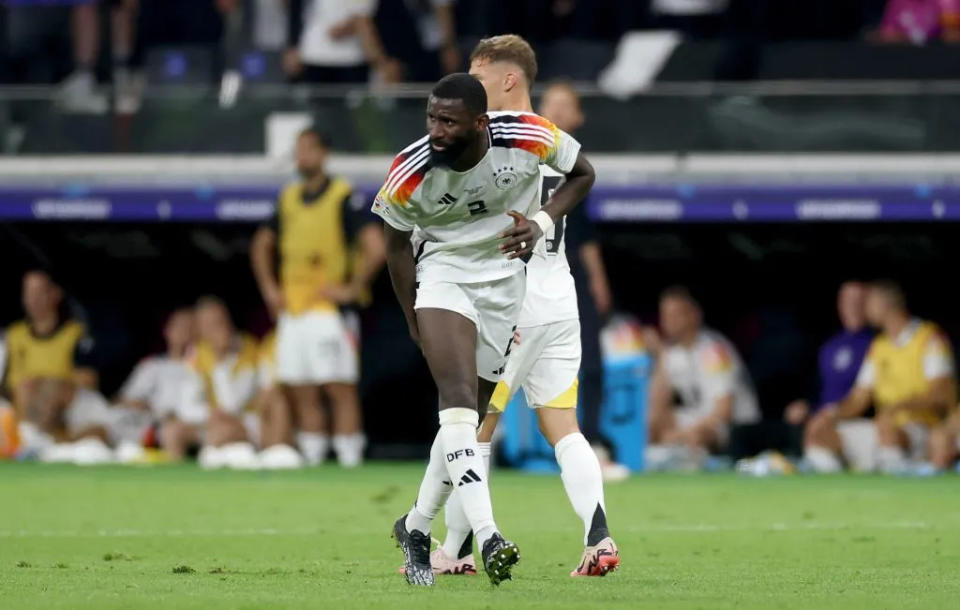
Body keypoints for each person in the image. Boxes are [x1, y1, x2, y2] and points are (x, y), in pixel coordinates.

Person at [373, 72, 595, 585]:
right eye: (431, 118)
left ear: (479, 123)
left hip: (503, 282)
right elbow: (393, 246)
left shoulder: (529, 134)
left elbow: (584, 173)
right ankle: (490, 533)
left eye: (447, 121)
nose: (436, 130)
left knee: (470, 415)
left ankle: (415, 525)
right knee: (454, 400)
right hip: (443, 275)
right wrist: (413, 319)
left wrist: (539, 223)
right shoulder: (409, 170)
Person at [427, 36, 618, 581]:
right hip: (560, 298)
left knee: (472, 428)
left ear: (508, 79)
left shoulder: (501, 140)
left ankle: (456, 549)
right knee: (564, 426)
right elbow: (579, 180)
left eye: (477, 76)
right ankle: (597, 535)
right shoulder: (556, 140)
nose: (469, 87)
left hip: (509, 300)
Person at [250, 127, 385, 468]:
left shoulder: (343, 196)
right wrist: (270, 288)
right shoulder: (288, 199)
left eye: (309, 149)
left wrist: (352, 288)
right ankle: (313, 457)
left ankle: (349, 457)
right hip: (293, 310)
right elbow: (261, 244)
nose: (302, 156)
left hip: (328, 309)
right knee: (300, 386)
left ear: (324, 153)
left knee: (337, 385)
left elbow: (375, 246)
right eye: (298, 150)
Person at [539, 79, 627, 481]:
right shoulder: (521, 154)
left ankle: (588, 441)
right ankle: (485, 445)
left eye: (564, 104)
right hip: (528, 266)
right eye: (550, 103)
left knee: (589, 361)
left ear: (577, 117)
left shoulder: (578, 164)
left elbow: (586, 231)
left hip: (570, 269)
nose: (557, 111)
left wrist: (598, 280)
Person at [804, 280, 956, 473]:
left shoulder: (928, 338)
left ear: (884, 304)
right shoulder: (879, 346)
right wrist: (830, 414)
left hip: (922, 428)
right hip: (884, 428)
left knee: (887, 429)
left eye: (868, 303)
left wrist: (897, 407)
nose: (864, 309)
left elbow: (941, 394)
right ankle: (841, 489)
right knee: (819, 433)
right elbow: (859, 398)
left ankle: (899, 479)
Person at [647, 286, 761, 466]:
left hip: (736, 426)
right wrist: (661, 355)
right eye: (665, 315)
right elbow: (657, 405)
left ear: (694, 315)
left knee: (698, 435)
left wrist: (681, 434)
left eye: (676, 314)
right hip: (696, 419)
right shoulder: (673, 354)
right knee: (652, 425)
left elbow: (724, 411)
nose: (669, 321)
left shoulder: (714, 349)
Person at [2, 270, 108, 453]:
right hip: (21, 407)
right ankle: (32, 439)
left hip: (64, 405)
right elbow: (6, 384)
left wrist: (45, 383)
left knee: (48, 386)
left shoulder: (75, 333)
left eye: (39, 292)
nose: (33, 299)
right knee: (25, 386)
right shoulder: (13, 335)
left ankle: (36, 441)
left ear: (55, 294)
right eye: (28, 292)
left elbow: (87, 381)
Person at [168, 297, 261, 467]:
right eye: (209, 324)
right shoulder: (196, 354)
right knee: (172, 431)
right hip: (214, 422)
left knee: (223, 430)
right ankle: (176, 480)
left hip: (248, 423)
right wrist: (209, 414)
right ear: (200, 330)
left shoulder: (249, 348)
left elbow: (233, 405)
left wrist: (220, 360)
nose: (218, 327)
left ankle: (210, 469)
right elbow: (185, 406)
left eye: (220, 320)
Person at [786, 282, 874, 426]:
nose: (853, 307)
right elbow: (817, 391)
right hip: (820, 420)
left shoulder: (878, 344)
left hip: (854, 421)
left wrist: (836, 413)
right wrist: (805, 407)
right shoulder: (829, 346)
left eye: (859, 302)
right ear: (839, 304)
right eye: (847, 301)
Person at [113, 307, 196, 444]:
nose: (184, 331)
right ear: (167, 330)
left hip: (190, 424)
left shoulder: (203, 367)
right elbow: (124, 399)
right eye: (179, 325)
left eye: (190, 327)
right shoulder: (152, 365)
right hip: (154, 422)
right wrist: (149, 408)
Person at [284, 0, 402, 83]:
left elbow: (359, 21)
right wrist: (382, 64)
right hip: (338, 60)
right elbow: (362, 23)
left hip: (323, 56)